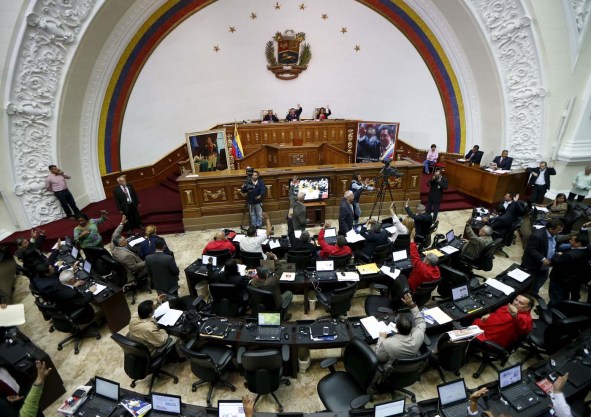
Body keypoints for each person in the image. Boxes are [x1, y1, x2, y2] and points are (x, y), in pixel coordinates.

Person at [375, 293, 425, 365]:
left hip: (393, 370)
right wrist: (411, 304)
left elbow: (379, 358)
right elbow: (420, 320)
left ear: (396, 327)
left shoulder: (388, 343)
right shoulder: (419, 333)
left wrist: (381, 338)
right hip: (412, 366)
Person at [521, 219, 564, 296]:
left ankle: (533, 292)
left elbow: (552, 246)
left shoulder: (554, 235)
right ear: (550, 229)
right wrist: (543, 259)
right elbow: (531, 249)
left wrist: (556, 253)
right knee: (530, 281)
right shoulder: (537, 236)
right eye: (558, 230)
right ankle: (525, 294)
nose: (560, 232)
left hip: (546, 263)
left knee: (542, 278)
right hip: (534, 263)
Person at [548, 233, 590, 307]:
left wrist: (557, 255)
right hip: (573, 278)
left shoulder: (569, 255)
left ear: (578, 243)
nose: (569, 241)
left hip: (559, 279)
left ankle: (552, 313)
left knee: (556, 297)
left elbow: (556, 262)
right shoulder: (588, 250)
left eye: (572, 240)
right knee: (565, 295)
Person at [110, 215, 148, 283]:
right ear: (120, 244)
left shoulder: (113, 244)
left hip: (129, 261)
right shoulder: (126, 256)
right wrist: (147, 261)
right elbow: (135, 268)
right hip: (135, 271)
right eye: (124, 240)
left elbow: (115, 234)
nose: (127, 240)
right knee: (153, 261)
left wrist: (122, 223)